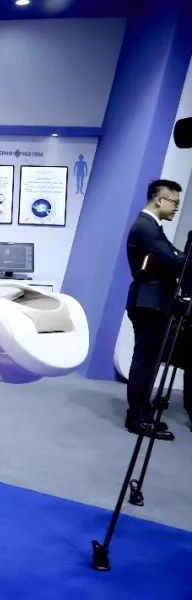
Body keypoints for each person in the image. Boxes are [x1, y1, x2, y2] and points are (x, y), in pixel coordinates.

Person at [124, 179, 189, 440]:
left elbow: (175, 257)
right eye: (174, 202)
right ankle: (137, 418)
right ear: (159, 200)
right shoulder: (145, 227)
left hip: (154, 302)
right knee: (145, 362)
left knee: (150, 362)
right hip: (148, 304)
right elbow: (174, 260)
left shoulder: (152, 227)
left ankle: (144, 411)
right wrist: (183, 259)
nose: (176, 208)